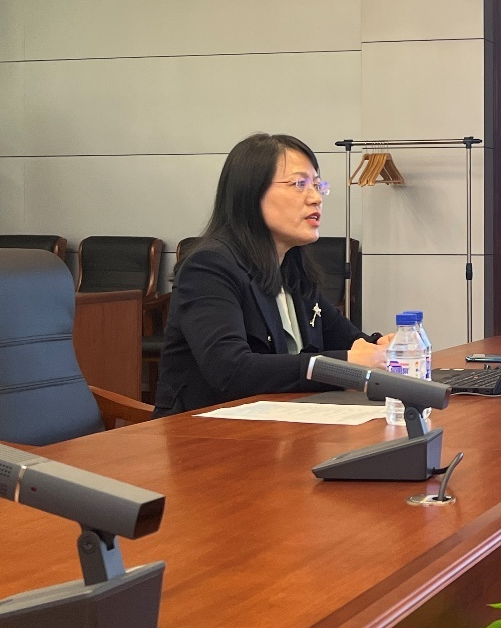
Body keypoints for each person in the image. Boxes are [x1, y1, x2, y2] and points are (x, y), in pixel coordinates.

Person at [153, 133, 392, 416]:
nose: (316, 198)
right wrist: (344, 365)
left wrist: (381, 349)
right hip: (206, 431)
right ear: (251, 192)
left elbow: (349, 341)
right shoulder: (208, 267)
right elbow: (231, 371)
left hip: (283, 423)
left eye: (317, 185)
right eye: (299, 184)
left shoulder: (292, 268)